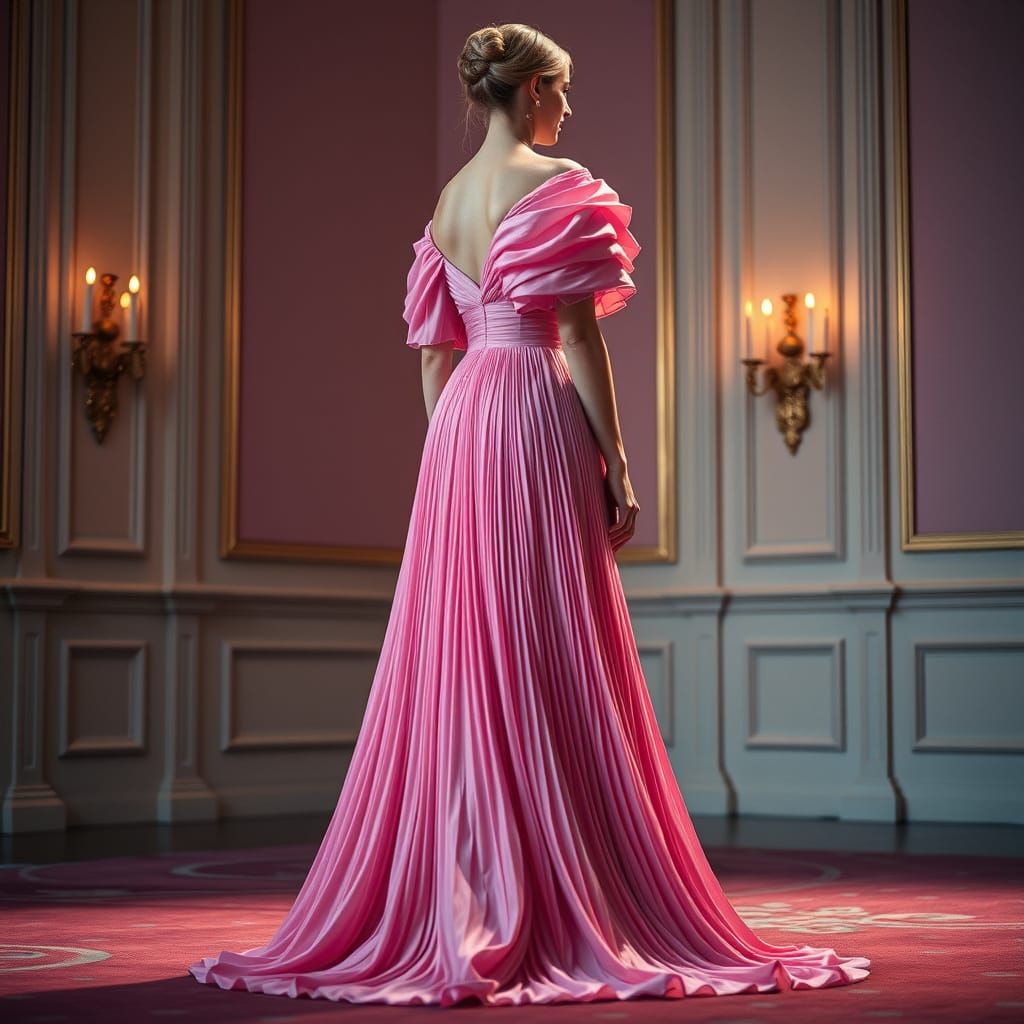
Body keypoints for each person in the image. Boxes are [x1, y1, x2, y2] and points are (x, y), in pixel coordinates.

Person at [188, 22, 871, 1007]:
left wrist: (451, 456)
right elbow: (580, 337)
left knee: (470, 643)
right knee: (549, 632)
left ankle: (478, 874)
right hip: (534, 406)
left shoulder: (446, 202)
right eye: (561, 91)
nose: (568, 109)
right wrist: (619, 463)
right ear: (529, 93)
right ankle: (557, 879)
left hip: (461, 423)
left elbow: (434, 353)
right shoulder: (555, 182)